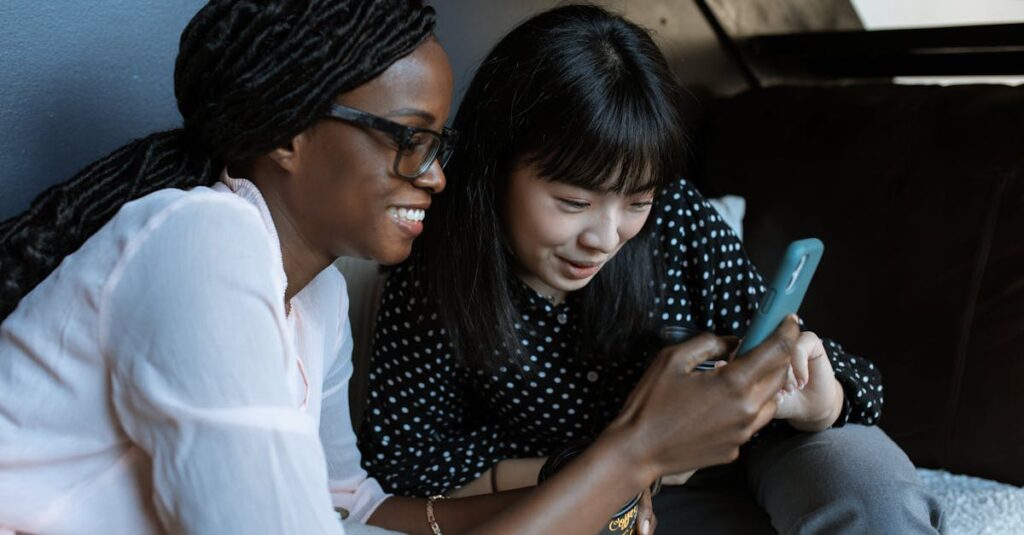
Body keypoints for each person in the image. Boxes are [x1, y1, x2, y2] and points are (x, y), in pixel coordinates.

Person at [0, 1, 802, 534]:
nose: (437, 176)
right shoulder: (202, 242)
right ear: (286, 133)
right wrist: (633, 452)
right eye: (408, 139)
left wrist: (595, 497)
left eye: (439, 145)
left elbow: (356, 510)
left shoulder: (313, 300)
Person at [358, 4, 944, 534]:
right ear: (496, 167)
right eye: (574, 202)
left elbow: (851, 381)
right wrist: (597, 469)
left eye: (637, 201)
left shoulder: (676, 219)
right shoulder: (437, 275)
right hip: (600, 498)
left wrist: (821, 403)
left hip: (761, 452)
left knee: (868, 490)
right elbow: (407, 466)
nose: (605, 238)